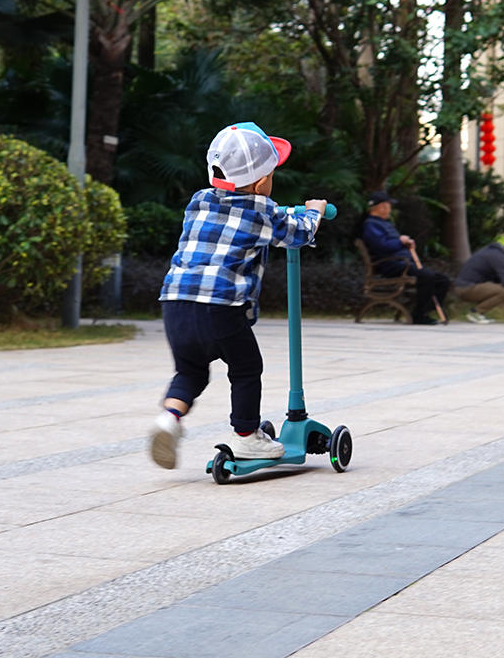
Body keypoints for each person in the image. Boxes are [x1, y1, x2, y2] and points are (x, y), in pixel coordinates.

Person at [149, 122, 327, 469]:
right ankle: (246, 438)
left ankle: (169, 419)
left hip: (174, 304)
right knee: (246, 369)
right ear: (262, 182)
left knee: (191, 372)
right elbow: (299, 233)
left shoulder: (198, 201)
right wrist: (314, 211)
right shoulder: (261, 211)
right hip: (221, 309)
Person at [359, 191, 450, 325]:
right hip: (391, 265)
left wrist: (406, 243)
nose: (390, 208)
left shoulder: (385, 224)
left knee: (442, 280)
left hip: (404, 263)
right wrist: (400, 242)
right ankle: (419, 315)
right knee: (427, 277)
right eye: (388, 205)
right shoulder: (371, 225)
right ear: (381, 207)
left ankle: (424, 310)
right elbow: (382, 246)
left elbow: (395, 243)